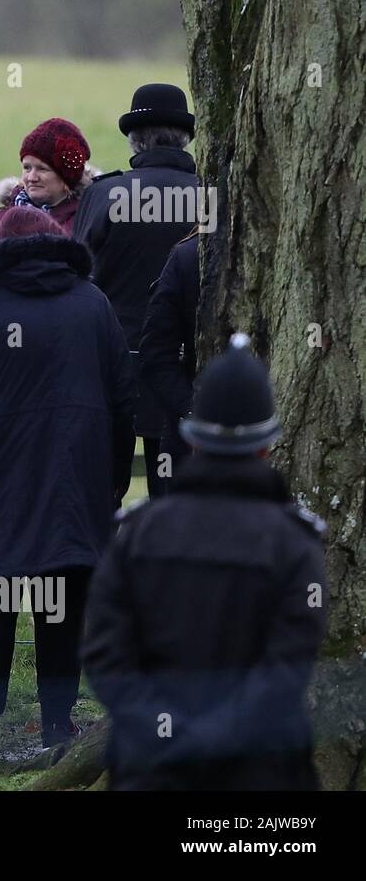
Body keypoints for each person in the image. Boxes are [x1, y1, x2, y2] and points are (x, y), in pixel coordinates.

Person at [0, 206, 136, 760]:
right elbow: (123, 402)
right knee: (62, 606)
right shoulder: (93, 305)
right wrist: (111, 484)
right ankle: (59, 727)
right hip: (77, 485)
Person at [84, 336, 328, 790]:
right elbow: (288, 666)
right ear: (266, 446)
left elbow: (105, 653)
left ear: (194, 442)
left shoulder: (139, 534)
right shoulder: (295, 543)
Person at [73, 84, 202, 494]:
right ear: (184, 138)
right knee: (175, 503)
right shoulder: (210, 196)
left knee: (98, 497)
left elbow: (77, 279)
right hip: (188, 372)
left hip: (111, 365)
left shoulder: (103, 194)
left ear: (134, 139)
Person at [0, 118, 94, 266]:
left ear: (66, 178)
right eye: (27, 168)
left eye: (42, 169)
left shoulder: (86, 224)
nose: (31, 177)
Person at [138, 230, 201, 490]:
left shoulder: (187, 255)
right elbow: (156, 354)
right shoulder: (189, 256)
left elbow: (155, 353)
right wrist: (192, 411)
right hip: (193, 443)